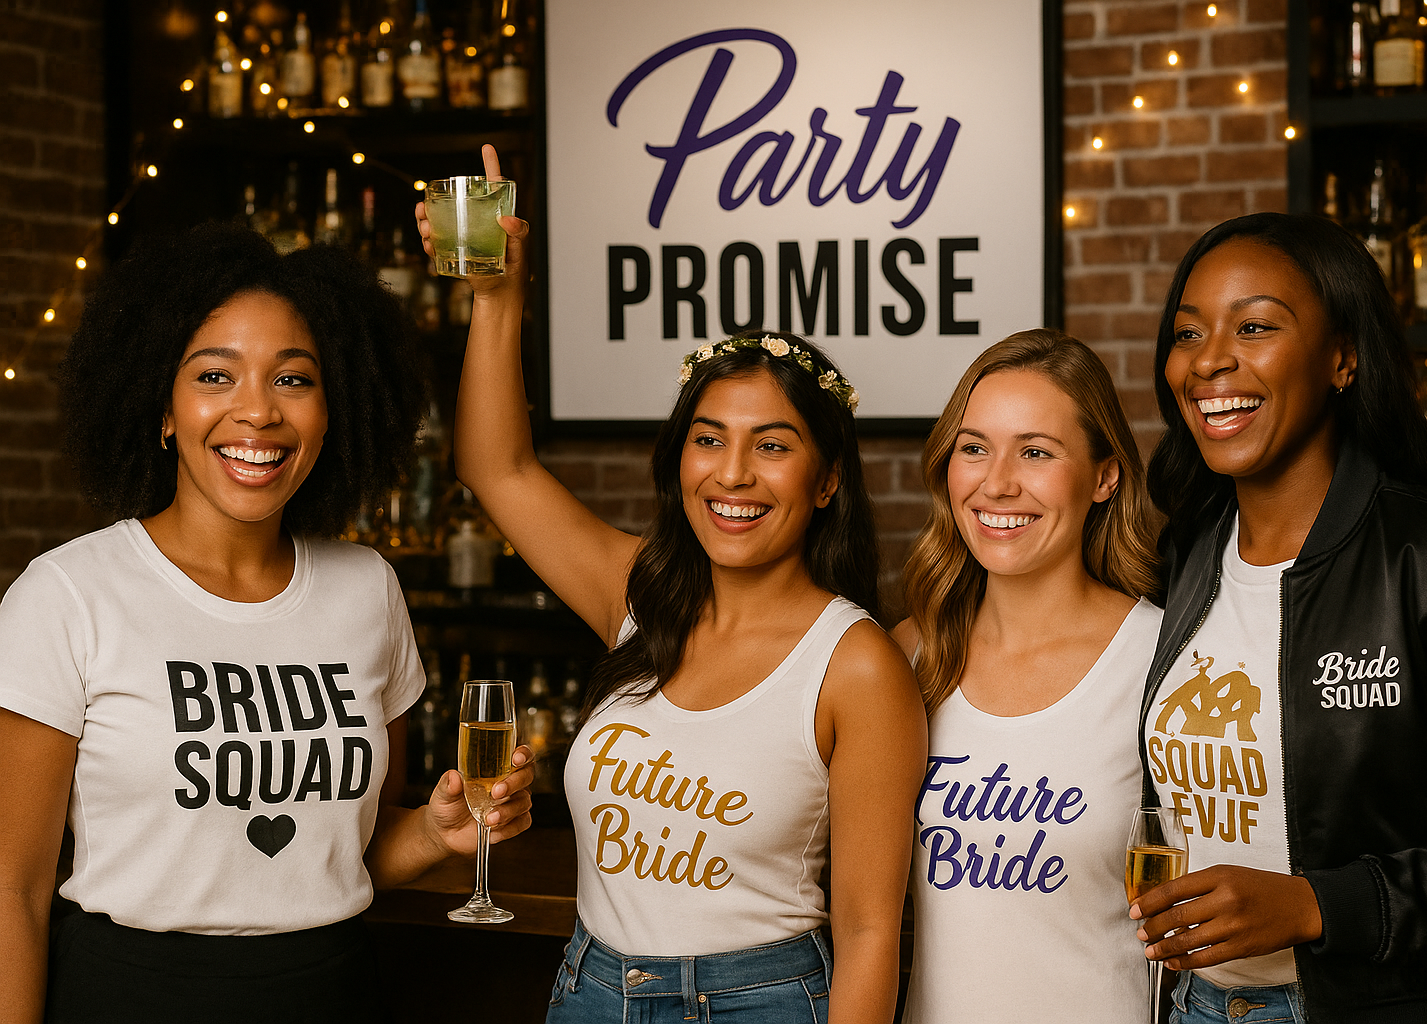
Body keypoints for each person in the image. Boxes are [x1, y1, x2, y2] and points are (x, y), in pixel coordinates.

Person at [418, 145, 927, 1024]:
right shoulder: (638, 594)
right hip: (591, 990)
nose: (732, 474)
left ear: (827, 480)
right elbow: (496, 468)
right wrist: (497, 297)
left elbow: (871, 931)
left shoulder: (855, 664)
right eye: (708, 438)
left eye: (773, 445)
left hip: (760, 1003)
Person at [0, 224, 535, 1024]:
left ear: (332, 411)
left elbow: (347, 854)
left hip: (331, 992)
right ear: (163, 409)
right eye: (215, 375)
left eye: (293, 379)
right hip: (127, 996)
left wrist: (434, 832)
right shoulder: (68, 594)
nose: (257, 410)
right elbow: (12, 889)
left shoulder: (367, 589)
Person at [1131, 212, 1427, 1024]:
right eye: (1188, 332)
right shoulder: (1183, 555)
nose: (1209, 360)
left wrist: (1321, 904)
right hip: (1197, 1005)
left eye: (1254, 326)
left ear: (1343, 359)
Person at [894, 330, 1164, 1022]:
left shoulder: (1160, 661)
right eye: (974, 448)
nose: (997, 483)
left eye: (1036, 452)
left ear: (1104, 477)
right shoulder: (910, 656)